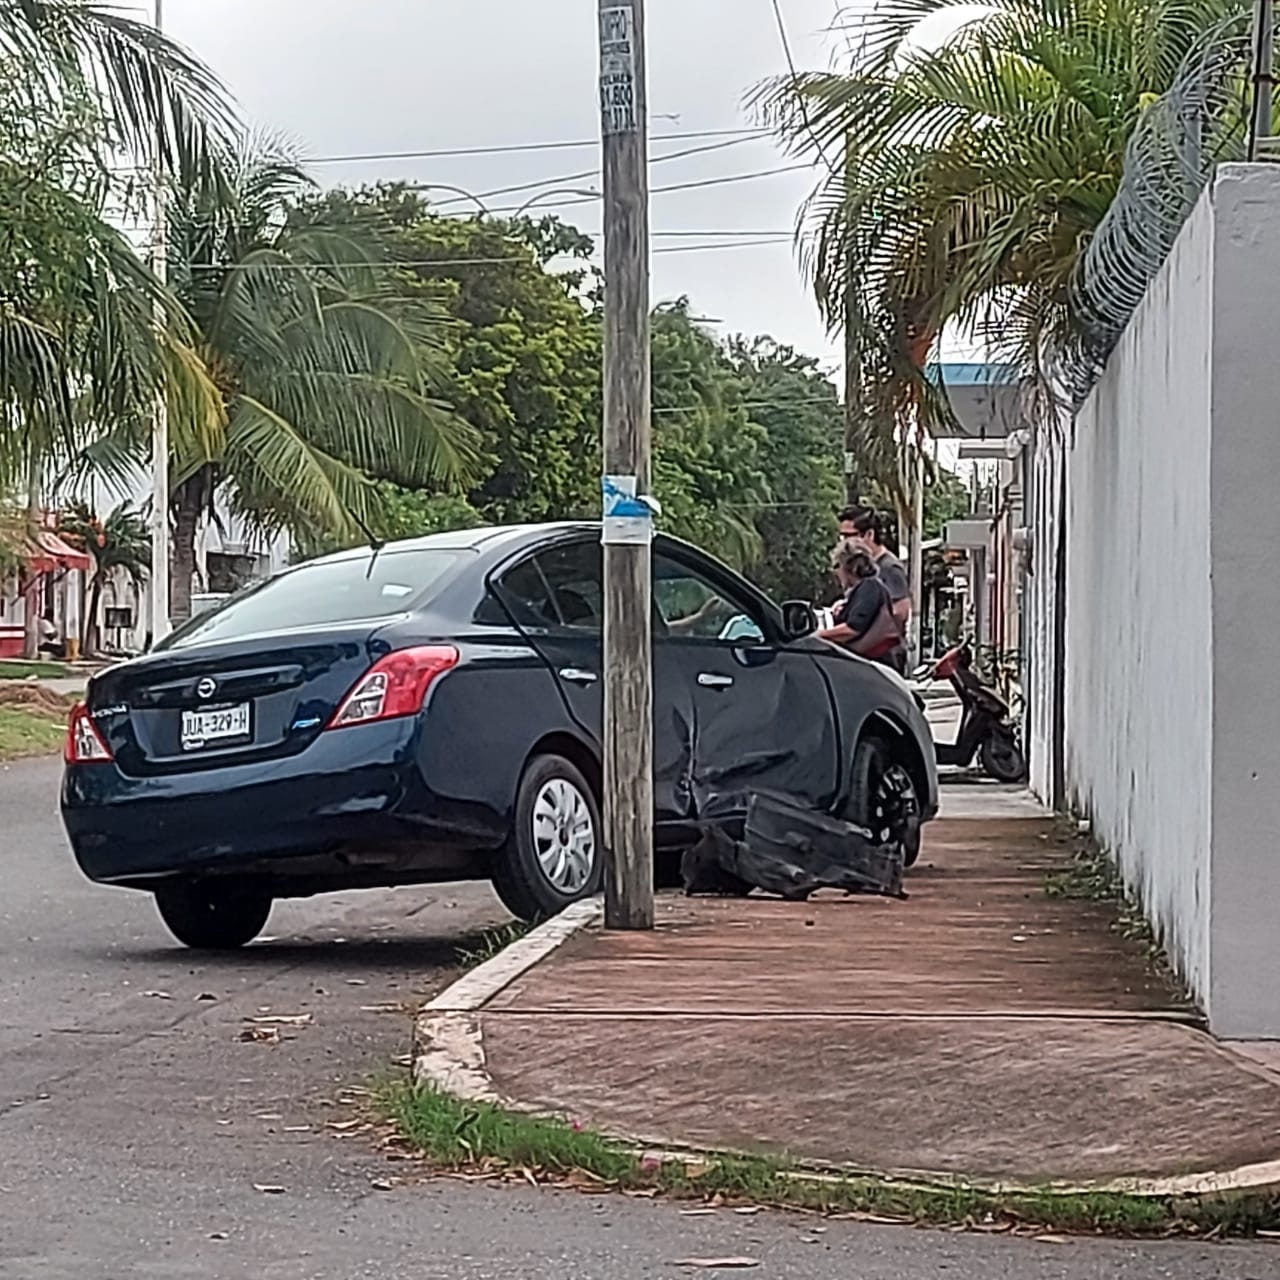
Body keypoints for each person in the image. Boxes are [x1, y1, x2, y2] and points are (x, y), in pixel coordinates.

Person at [838, 505, 911, 670]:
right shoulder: (860, 569)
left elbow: (901, 611)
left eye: (849, 536)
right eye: (841, 537)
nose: (845, 543)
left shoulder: (889, 567)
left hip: (882, 655)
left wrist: (866, 619)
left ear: (869, 534)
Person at [818, 540, 899, 666]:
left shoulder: (869, 587)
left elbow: (852, 629)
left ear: (850, 566)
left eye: (837, 566)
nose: (835, 572)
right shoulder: (866, 589)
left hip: (872, 666)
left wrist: (816, 636)